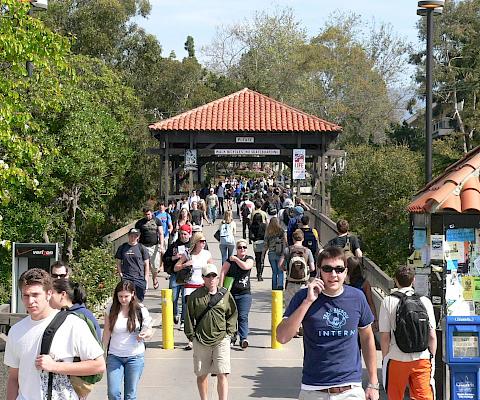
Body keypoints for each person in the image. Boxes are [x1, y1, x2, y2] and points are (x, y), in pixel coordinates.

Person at [276, 247, 380, 400]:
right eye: (327, 269)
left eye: (339, 269)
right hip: (313, 390)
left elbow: (367, 338)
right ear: (319, 271)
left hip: (350, 389)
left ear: (346, 272)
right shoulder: (303, 297)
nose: (333, 275)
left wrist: (373, 383)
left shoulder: (357, 297)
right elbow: (282, 337)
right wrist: (308, 302)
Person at [4, 268, 105, 400]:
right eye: (26, 295)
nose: (30, 301)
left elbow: (99, 365)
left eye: (36, 295)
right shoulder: (16, 330)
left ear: (49, 294)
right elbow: (13, 378)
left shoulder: (73, 324)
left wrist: (55, 366)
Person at [379, 265, 436, 400]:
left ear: (395, 280)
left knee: (395, 396)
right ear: (413, 280)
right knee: (424, 397)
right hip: (422, 358)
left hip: (396, 358)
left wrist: (386, 357)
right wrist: (431, 357)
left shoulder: (388, 301)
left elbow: (385, 336)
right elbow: (432, 335)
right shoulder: (425, 301)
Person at [184, 264, 238, 400]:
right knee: (202, 375)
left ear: (217, 277)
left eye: (214, 276)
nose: (211, 279)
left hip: (221, 339)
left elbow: (232, 314)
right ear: (203, 278)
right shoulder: (195, 297)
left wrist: (229, 333)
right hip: (201, 340)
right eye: (208, 276)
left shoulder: (225, 294)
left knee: (222, 373)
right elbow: (189, 317)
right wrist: (191, 336)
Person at [102, 280, 153, 400]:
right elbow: (107, 331)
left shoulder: (140, 310)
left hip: (135, 356)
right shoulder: (111, 308)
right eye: (120, 296)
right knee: (113, 393)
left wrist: (145, 334)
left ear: (133, 294)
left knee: (130, 394)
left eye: (126, 296)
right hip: (114, 355)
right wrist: (102, 352)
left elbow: (149, 329)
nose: (123, 299)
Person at [175, 232, 213, 346]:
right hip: (189, 287)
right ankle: (191, 339)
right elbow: (176, 267)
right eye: (201, 241)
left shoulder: (207, 254)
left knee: (202, 313)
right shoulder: (188, 253)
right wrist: (185, 265)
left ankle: (202, 335)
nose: (203, 243)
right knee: (189, 313)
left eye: (204, 241)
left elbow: (212, 269)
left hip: (202, 287)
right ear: (196, 242)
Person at [220, 239, 254, 349]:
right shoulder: (229, 261)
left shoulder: (249, 259)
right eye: (240, 247)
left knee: (243, 316)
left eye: (244, 247)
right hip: (231, 293)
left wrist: (235, 259)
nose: (242, 249)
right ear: (236, 249)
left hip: (245, 293)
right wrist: (221, 288)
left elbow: (246, 267)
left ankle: (243, 338)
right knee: (231, 316)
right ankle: (232, 337)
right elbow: (223, 272)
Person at [163, 224, 192, 327]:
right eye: (181, 234)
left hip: (187, 276)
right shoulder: (174, 245)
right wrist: (174, 258)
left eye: (185, 234)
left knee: (185, 300)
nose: (183, 236)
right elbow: (165, 258)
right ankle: (175, 314)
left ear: (189, 234)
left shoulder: (193, 246)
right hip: (175, 275)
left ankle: (184, 320)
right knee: (173, 299)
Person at [280, 229, 315, 308]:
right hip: (303, 283)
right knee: (302, 308)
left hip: (290, 283)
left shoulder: (287, 250)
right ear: (303, 239)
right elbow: (313, 268)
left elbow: (280, 265)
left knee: (289, 308)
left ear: (293, 239)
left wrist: (287, 269)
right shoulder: (307, 251)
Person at [115, 228, 149, 302]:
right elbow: (118, 262)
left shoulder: (142, 248)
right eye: (131, 236)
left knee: (138, 301)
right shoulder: (122, 247)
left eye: (135, 236)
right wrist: (121, 274)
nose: (133, 238)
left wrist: (146, 280)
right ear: (128, 236)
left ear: (138, 237)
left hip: (139, 278)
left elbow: (146, 264)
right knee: (127, 300)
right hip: (127, 278)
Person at [135, 207, 165, 289]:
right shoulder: (140, 223)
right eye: (146, 214)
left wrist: (161, 245)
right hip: (143, 246)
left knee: (155, 266)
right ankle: (145, 282)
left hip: (154, 246)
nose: (147, 216)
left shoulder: (157, 221)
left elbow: (161, 233)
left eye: (149, 214)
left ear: (151, 213)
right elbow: (136, 235)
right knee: (144, 266)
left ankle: (154, 278)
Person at [347, 257, 377, 332]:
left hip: (347, 316)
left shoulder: (343, 284)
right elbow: (370, 303)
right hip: (361, 315)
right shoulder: (365, 283)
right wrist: (375, 320)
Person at [262, 217, 287, 290]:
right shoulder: (281, 231)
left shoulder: (268, 231)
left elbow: (265, 244)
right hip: (280, 253)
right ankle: (280, 286)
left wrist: (263, 255)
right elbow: (285, 242)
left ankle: (274, 287)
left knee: (274, 272)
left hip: (271, 253)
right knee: (280, 271)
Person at [249, 213, 267, 281]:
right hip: (263, 243)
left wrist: (254, 239)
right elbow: (266, 236)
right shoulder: (264, 225)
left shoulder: (252, 226)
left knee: (257, 259)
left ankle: (258, 272)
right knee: (262, 259)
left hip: (256, 243)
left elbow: (250, 236)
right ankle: (260, 274)